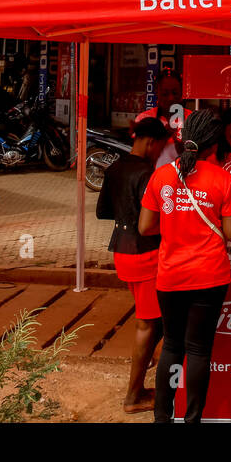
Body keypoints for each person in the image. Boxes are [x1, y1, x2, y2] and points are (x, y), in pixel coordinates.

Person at [139, 108, 231, 423]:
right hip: (210, 275)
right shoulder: (222, 178)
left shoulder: (162, 175)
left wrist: (174, 222)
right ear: (214, 146)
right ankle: (193, 418)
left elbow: (145, 227)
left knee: (172, 345)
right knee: (198, 350)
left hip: (171, 275)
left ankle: (162, 417)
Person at [95, 116, 172, 413]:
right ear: (151, 142)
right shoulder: (147, 173)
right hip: (146, 255)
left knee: (154, 322)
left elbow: (103, 211)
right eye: (160, 147)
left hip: (121, 251)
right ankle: (133, 396)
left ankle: (141, 388)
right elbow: (148, 224)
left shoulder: (115, 168)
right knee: (148, 325)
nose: (158, 152)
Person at [137, 69, 191, 168]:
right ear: (157, 93)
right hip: (152, 178)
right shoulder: (145, 119)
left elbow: (198, 156)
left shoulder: (191, 119)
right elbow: (138, 157)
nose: (170, 98)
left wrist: (177, 141)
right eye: (165, 93)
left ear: (182, 93)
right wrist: (162, 137)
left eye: (175, 93)